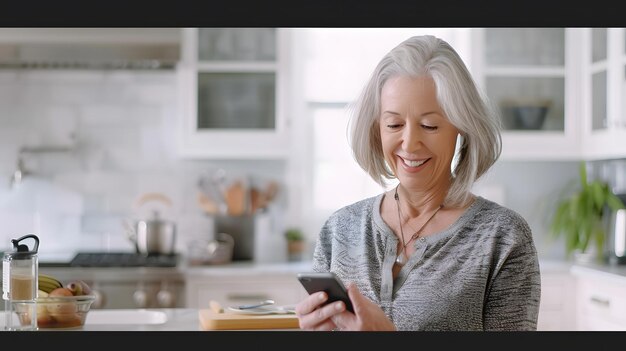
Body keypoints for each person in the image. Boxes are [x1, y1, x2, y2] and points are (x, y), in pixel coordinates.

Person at [294, 35, 541, 331]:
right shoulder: (339, 230)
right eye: (394, 124)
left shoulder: (502, 239)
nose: (409, 143)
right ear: (377, 130)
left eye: (429, 125)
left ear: (461, 127)